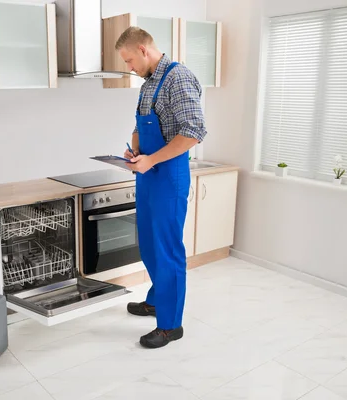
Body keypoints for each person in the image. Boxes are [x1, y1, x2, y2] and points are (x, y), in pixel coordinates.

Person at [117, 27, 207, 348]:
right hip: (149, 174)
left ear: (143, 50)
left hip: (168, 176)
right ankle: (156, 300)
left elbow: (193, 132)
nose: (129, 67)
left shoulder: (178, 78)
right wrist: (136, 150)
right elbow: (142, 123)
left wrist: (152, 160)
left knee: (167, 250)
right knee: (149, 246)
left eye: (129, 60)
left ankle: (170, 325)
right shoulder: (149, 83)